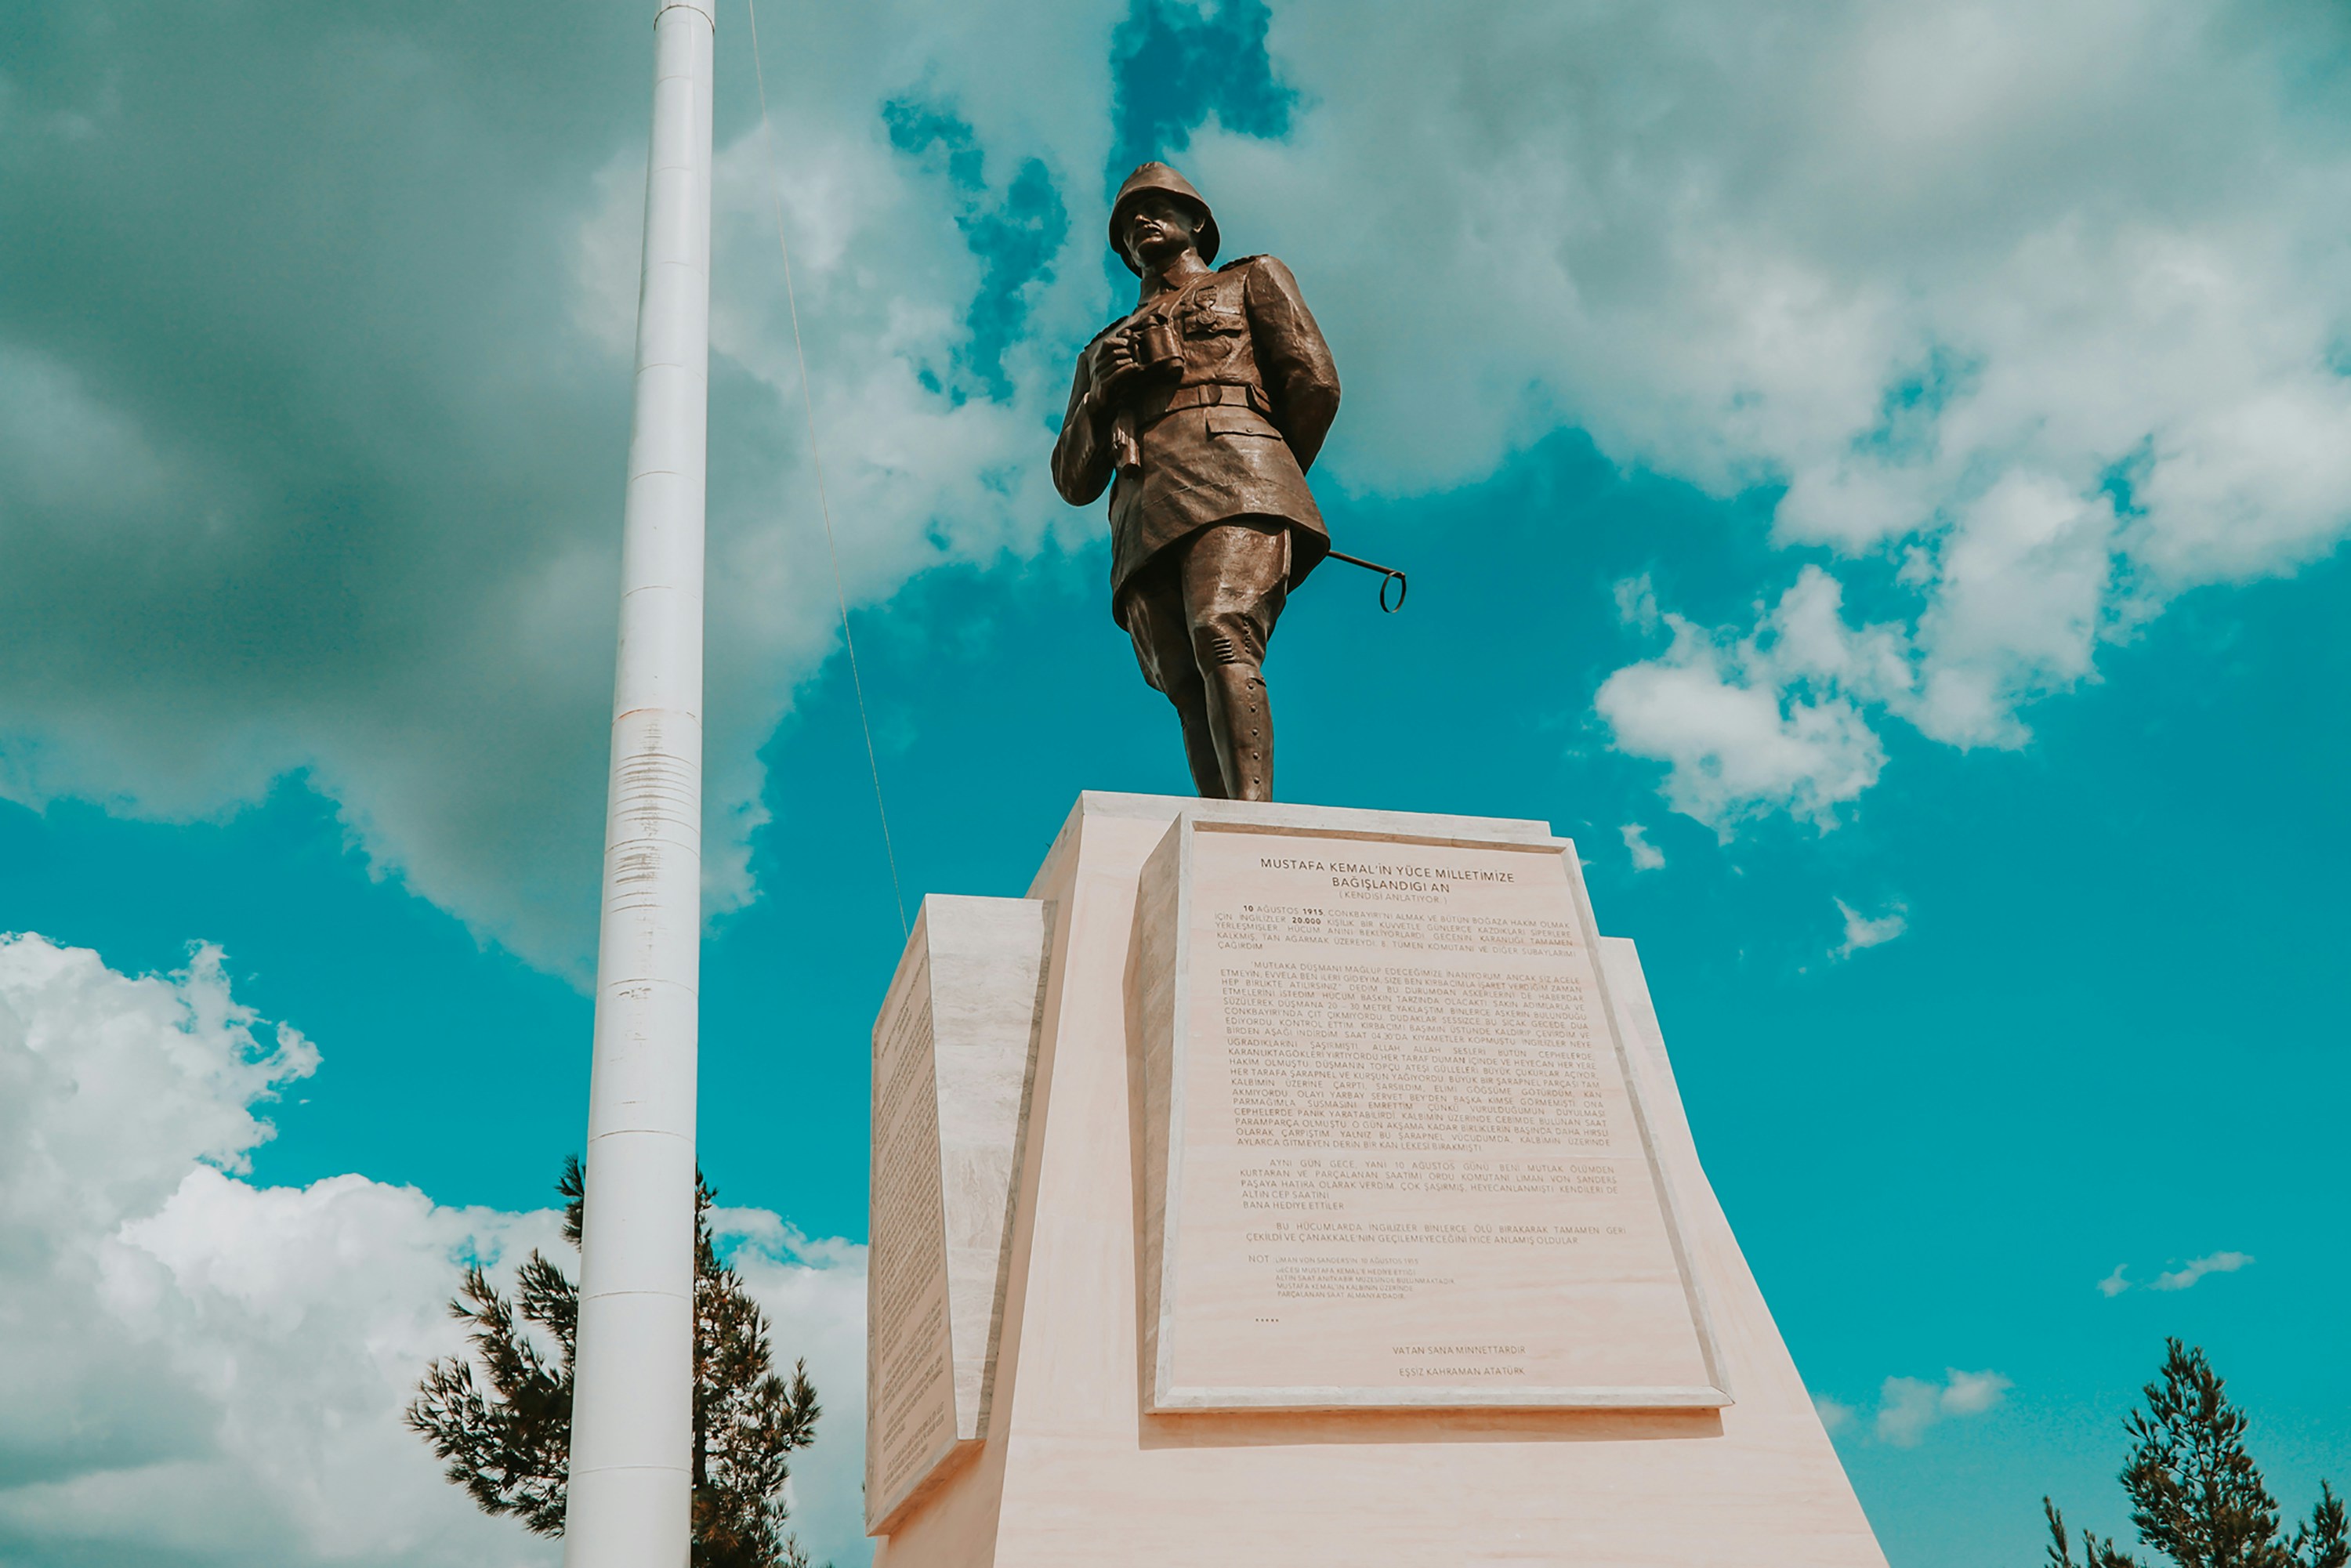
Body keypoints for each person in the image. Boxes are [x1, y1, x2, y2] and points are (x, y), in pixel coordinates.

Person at [1052, 162, 1340, 802]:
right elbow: (1072, 479)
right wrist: (1101, 399)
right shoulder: (1101, 349)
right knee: (1180, 677)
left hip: (1239, 477)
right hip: (1143, 507)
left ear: (1197, 223)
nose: (1140, 224)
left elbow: (1315, 382)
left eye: (1156, 210)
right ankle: (1221, 826)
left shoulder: (1251, 278)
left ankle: (1253, 822)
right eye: (1128, 223)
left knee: (1222, 626)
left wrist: (1266, 472)